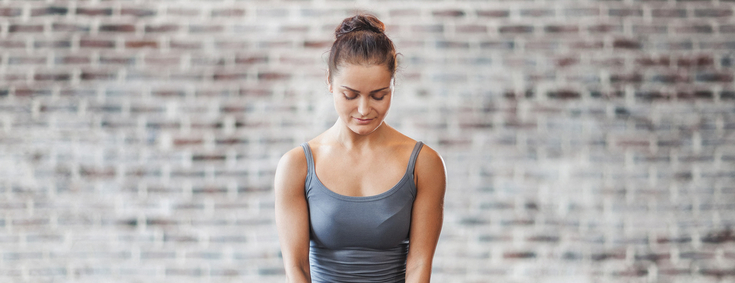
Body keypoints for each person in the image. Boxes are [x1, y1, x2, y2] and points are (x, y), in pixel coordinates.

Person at [274, 13, 447, 283]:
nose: (364, 110)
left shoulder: (424, 163)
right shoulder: (297, 165)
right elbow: (296, 267)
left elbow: (419, 265)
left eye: (379, 95)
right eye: (350, 95)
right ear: (329, 82)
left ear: (393, 86)